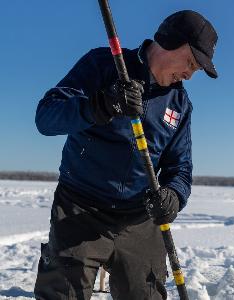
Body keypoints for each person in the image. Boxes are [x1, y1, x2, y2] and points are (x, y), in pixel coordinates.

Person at [33, 10, 218, 300]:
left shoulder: (179, 104)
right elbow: (46, 118)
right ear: (170, 42)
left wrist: (173, 196)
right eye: (191, 63)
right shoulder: (103, 65)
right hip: (80, 208)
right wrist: (100, 106)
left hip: (138, 217)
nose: (189, 75)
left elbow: (180, 169)